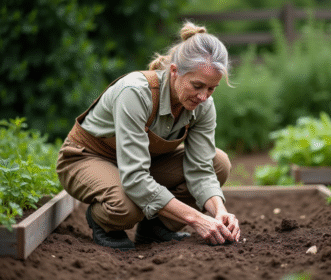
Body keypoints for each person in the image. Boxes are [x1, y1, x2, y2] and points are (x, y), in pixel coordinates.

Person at [56, 21, 241, 251]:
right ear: (174, 72)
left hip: (138, 164)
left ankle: (155, 229)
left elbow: (201, 169)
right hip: (86, 158)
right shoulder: (135, 93)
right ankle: (102, 221)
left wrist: (219, 210)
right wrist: (196, 218)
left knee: (218, 163)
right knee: (125, 206)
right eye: (197, 85)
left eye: (211, 88)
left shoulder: (202, 106)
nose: (203, 96)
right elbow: (135, 178)